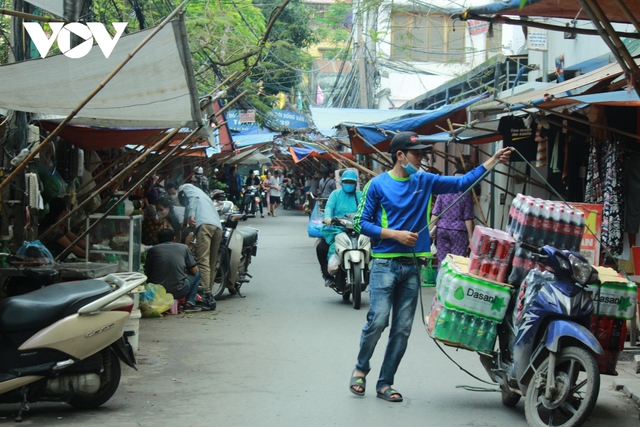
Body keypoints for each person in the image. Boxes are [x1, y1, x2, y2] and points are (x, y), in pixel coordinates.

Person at [349, 131, 512, 402]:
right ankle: (360, 368)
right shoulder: (377, 185)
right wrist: (394, 234)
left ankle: (385, 383)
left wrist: (492, 160)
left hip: (413, 266)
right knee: (377, 320)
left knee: (402, 329)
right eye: (417, 154)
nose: (422, 158)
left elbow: (463, 182)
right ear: (400, 156)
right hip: (384, 265)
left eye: (423, 154)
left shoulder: (425, 181)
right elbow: (360, 222)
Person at [316, 169, 362, 287]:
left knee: (374, 245)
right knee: (321, 248)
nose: (348, 184)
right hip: (337, 229)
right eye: (346, 182)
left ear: (355, 183)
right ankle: (327, 275)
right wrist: (328, 218)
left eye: (351, 182)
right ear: (341, 182)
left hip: (357, 230)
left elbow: (366, 209)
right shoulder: (335, 194)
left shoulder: (360, 195)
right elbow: (329, 207)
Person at [178, 184, 223, 296]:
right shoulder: (203, 195)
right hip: (217, 227)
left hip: (205, 226)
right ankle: (209, 295)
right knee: (211, 263)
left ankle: (203, 294)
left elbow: (192, 200)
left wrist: (191, 216)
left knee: (202, 261)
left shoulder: (188, 190)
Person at [144, 228, 201, 312]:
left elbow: (148, 271)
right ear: (174, 238)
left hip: (157, 292)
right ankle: (189, 303)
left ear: (158, 239)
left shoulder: (153, 250)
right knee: (198, 273)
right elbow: (194, 271)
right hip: (179, 291)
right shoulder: (184, 248)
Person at [430, 168, 475, 269]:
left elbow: (436, 213)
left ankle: (441, 283)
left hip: (442, 230)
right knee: (457, 262)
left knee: (442, 260)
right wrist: (471, 236)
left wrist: (430, 230)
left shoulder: (443, 192)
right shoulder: (466, 193)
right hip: (459, 232)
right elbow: (468, 218)